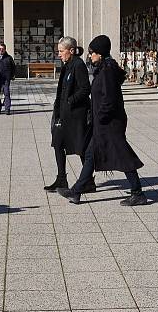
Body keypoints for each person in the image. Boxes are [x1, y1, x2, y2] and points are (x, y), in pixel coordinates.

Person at [58, 35, 147, 206]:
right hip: (102, 123)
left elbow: (109, 100)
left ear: (100, 53)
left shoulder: (107, 71)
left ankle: (138, 193)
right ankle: (76, 192)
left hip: (110, 124)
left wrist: (100, 117)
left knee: (123, 155)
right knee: (91, 154)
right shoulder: (103, 68)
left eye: (92, 53)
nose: (90, 55)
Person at [44, 37, 95, 194]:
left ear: (71, 51)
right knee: (58, 143)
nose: (59, 54)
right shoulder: (67, 64)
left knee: (81, 148)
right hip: (63, 114)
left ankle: (88, 182)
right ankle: (61, 179)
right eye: (58, 51)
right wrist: (59, 107)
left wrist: (70, 101)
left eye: (61, 51)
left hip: (76, 115)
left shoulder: (78, 65)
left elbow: (85, 89)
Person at [0, 43, 15, 115]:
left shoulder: (9, 58)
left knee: (7, 93)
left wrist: (11, 75)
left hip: (6, 79)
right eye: (0, 49)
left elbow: (13, 67)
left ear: (5, 49)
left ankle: (7, 109)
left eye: (2, 49)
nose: (1, 50)